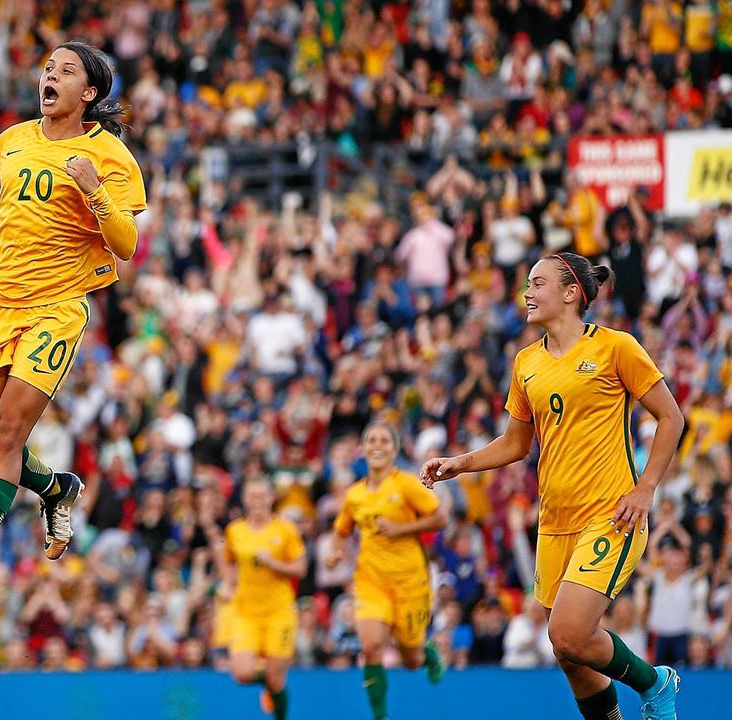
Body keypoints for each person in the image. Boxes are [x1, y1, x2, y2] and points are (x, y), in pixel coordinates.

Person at [0, 41, 146, 599]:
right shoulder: (15, 139)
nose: (51, 76)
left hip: (57, 307)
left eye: (66, 71)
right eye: (48, 68)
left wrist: (95, 194)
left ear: (88, 93)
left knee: (9, 433)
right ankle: (56, 488)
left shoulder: (110, 158)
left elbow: (127, 245)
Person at [421, 253, 685, 720]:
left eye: (537, 283)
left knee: (567, 633)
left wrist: (646, 488)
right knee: (568, 653)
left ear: (569, 293)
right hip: (554, 524)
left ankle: (656, 683)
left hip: (612, 514)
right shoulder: (526, 362)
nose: (526, 291)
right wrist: (458, 463)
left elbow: (671, 417)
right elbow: (516, 442)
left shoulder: (615, 346)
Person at [329, 421, 448, 720]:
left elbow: (441, 517)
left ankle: (427, 652)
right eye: (371, 440)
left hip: (410, 581)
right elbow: (342, 529)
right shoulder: (354, 494)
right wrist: (335, 551)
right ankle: (379, 715)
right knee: (370, 646)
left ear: (394, 449)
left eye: (384, 440)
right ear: (363, 448)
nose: (377, 445)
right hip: (371, 581)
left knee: (411, 659)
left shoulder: (406, 485)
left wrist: (401, 529)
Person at [216, 477, 306, 720]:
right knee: (242, 673)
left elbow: (300, 568)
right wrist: (227, 583)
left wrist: (274, 563)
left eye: (262, 495)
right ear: (245, 500)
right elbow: (226, 559)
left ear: (270, 498)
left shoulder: (285, 529)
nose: (257, 501)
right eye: (252, 496)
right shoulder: (235, 531)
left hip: (279, 613)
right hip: (246, 613)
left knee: (276, 678)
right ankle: (268, 683)